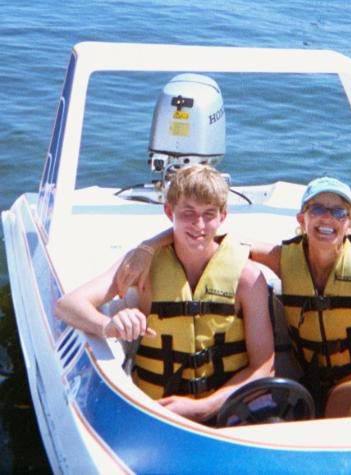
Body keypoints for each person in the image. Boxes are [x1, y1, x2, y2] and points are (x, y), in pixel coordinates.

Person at [115, 176, 351, 431]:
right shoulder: (283, 260)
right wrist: (147, 246)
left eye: (338, 211)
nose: (327, 218)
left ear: (350, 224)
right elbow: (208, 236)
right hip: (328, 390)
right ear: (301, 219)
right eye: (317, 208)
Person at [55, 164, 274, 424]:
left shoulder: (247, 278)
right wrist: (109, 325)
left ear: (222, 217)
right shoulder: (141, 266)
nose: (199, 224)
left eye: (208, 214)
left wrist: (203, 407)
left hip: (229, 410)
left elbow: (264, 367)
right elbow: (67, 306)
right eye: (188, 213)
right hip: (154, 409)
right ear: (169, 211)